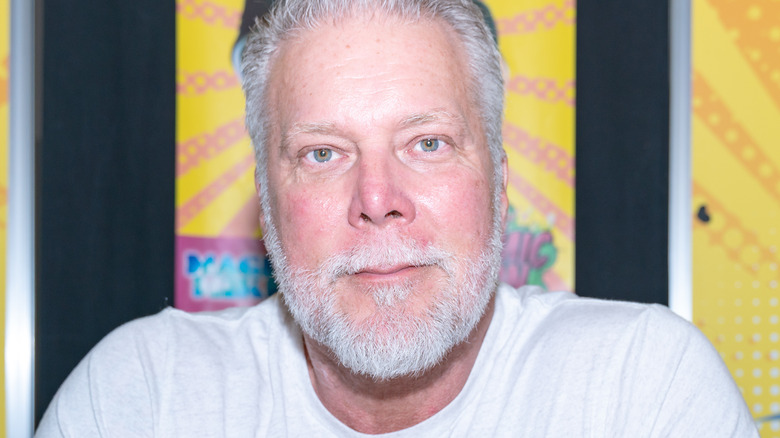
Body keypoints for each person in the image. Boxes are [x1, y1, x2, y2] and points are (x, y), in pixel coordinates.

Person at [37, 0, 757, 436]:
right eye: (323, 154)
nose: (377, 197)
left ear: (500, 183)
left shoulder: (641, 391)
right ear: (266, 205)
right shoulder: (142, 400)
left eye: (428, 143)